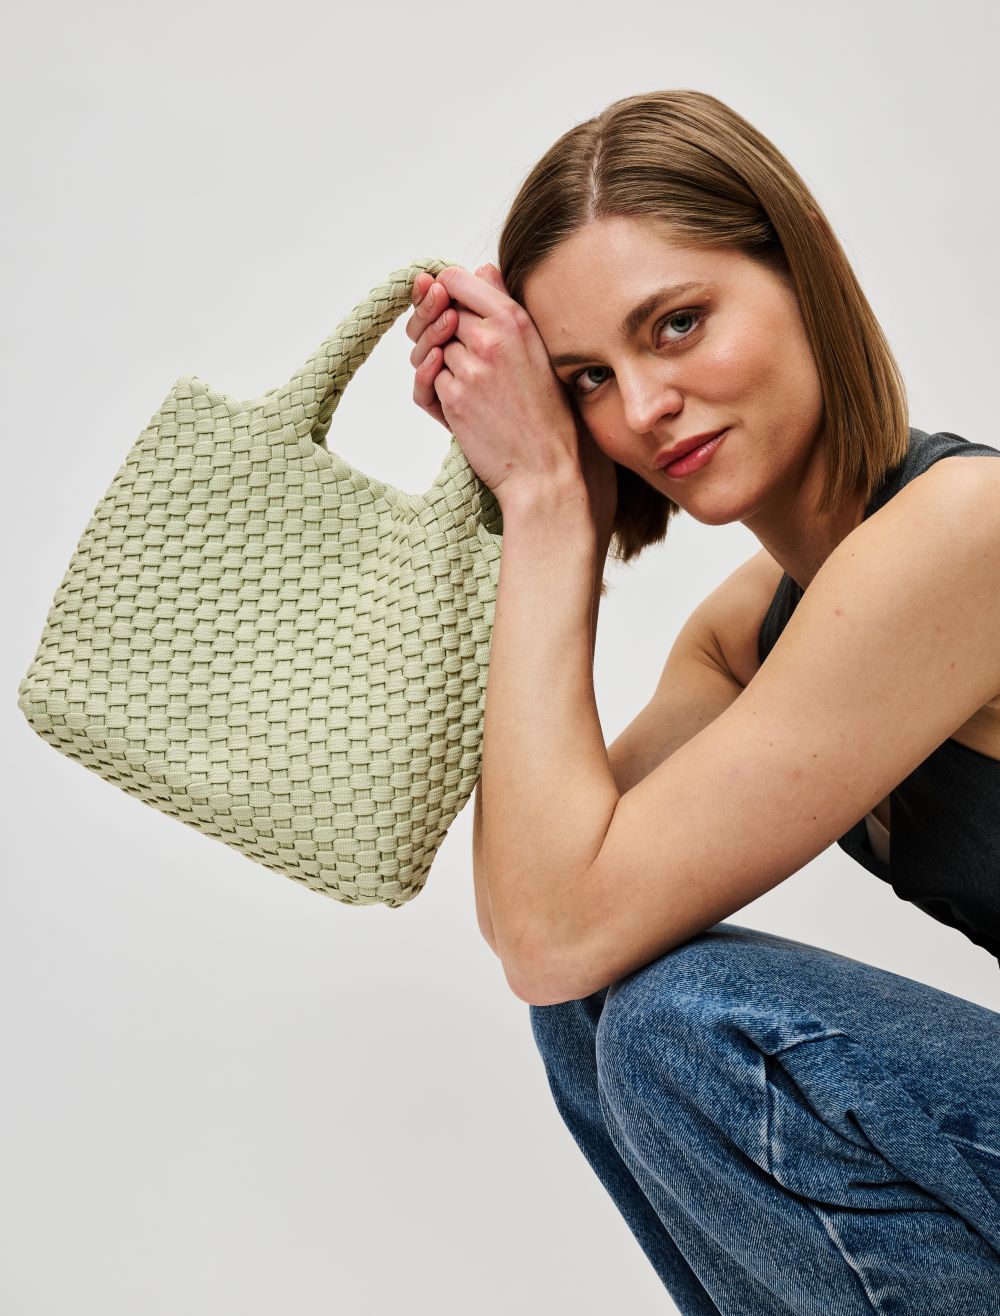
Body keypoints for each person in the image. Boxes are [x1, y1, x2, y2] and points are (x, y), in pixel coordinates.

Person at [404, 89, 1000, 1314]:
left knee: (685, 1021)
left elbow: (553, 921)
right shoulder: (745, 632)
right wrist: (541, 508)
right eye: (582, 380)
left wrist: (546, 505)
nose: (640, 406)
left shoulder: (964, 534)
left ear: (799, 270)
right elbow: (543, 922)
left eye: (676, 324)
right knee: (597, 1009)